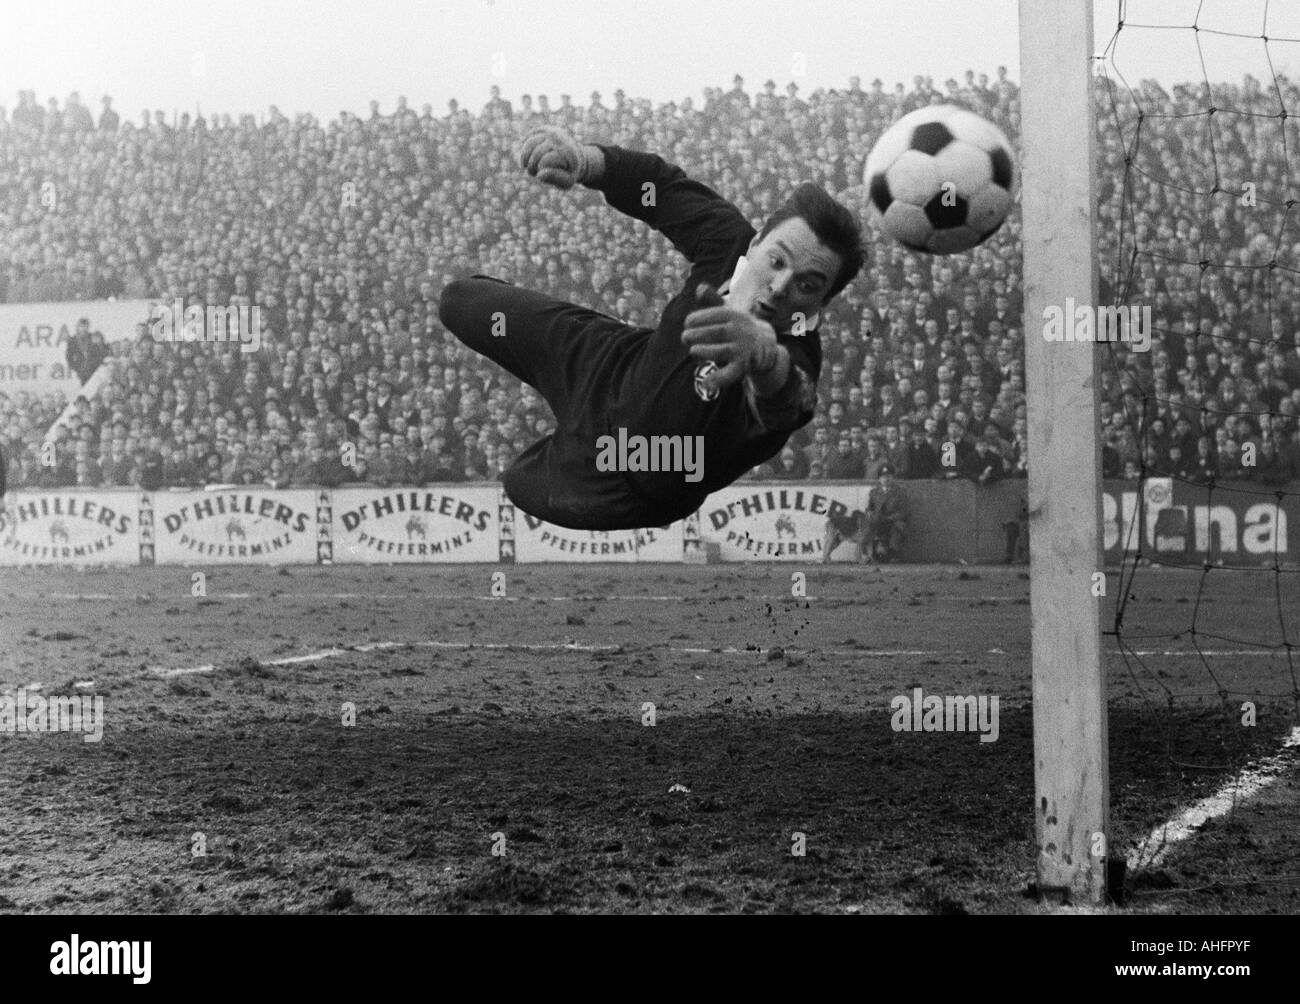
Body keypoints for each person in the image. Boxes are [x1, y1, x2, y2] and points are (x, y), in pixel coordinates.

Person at [438, 126, 864, 530]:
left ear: (821, 303)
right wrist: (584, 162)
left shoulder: (797, 354)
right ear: (755, 246)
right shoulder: (727, 240)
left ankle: (567, 451)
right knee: (459, 300)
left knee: (519, 481)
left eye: (808, 285)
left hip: (630, 469)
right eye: (776, 260)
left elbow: (792, 399)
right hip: (611, 364)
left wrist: (767, 358)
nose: (781, 286)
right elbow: (658, 188)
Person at [864, 465, 909, 561]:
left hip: (892, 521)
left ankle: (894, 553)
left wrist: (888, 518)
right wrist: (870, 514)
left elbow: (903, 512)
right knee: (868, 525)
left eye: (888, 476)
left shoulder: (900, 492)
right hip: (878, 522)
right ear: (879, 479)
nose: (886, 479)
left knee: (899, 527)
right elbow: (869, 508)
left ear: (893, 477)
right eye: (883, 477)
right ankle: (870, 553)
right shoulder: (874, 492)